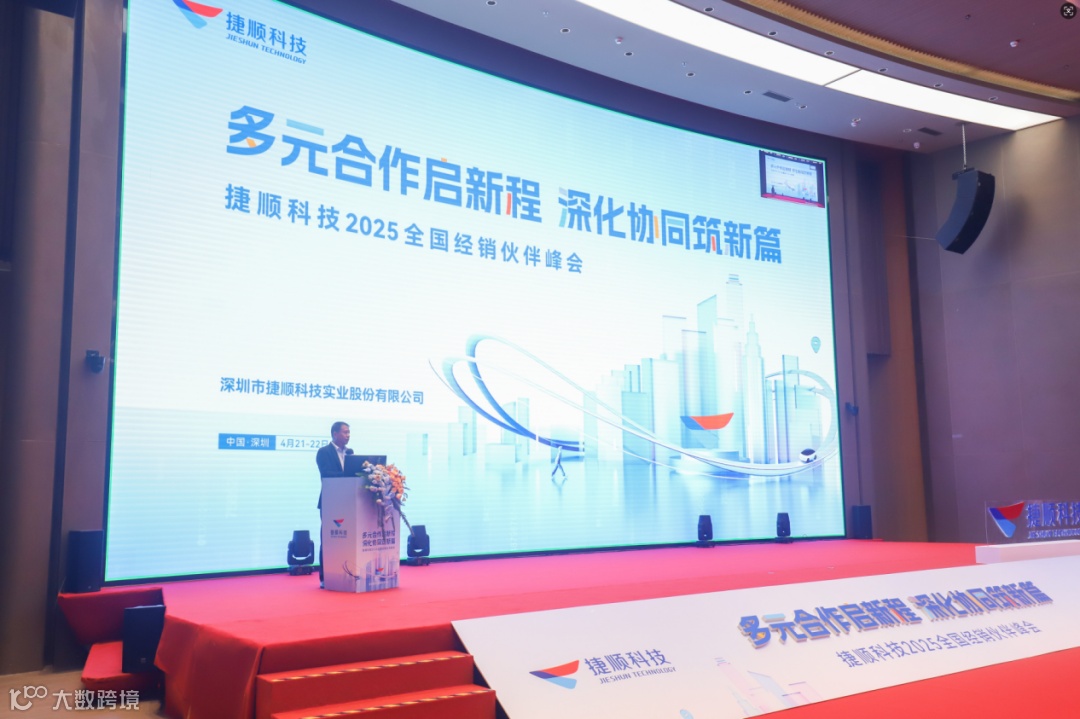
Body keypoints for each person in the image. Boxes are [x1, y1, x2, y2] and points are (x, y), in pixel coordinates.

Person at [315, 421, 352, 586]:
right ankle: (325, 577)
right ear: (335, 434)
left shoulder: (350, 453)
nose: (348, 435)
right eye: (345, 432)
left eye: (349, 432)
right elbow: (326, 474)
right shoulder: (324, 452)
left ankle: (346, 573)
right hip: (330, 502)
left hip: (348, 503)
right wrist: (347, 475)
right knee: (328, 540)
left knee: (348, 539)